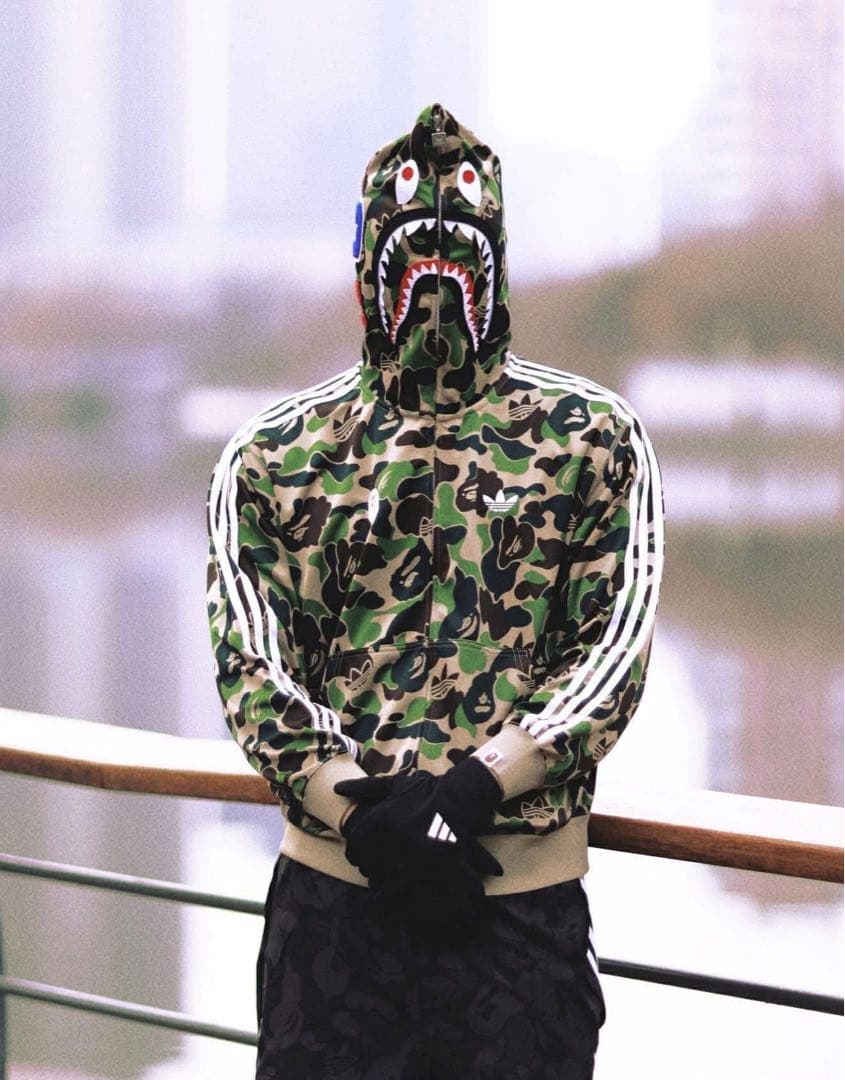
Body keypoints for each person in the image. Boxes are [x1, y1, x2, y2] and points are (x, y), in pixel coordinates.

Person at [206, 101, 665, 1080]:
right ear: (363, 269)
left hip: (515, 919)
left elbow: (611, 649)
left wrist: (478, 782)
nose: (433, 280)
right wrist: (353, 808)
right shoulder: (274, 454)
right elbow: (251, 660)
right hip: (333, 917)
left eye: (462, 247)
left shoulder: (592, 437)